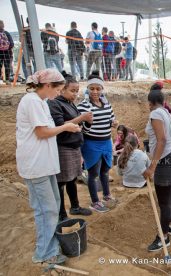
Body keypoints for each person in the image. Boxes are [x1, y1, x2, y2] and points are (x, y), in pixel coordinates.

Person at [16, 69, 81, 264]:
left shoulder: (42, 102)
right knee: (46, 210)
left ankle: (50, 245)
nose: (58, 93)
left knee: (51, 207)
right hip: (36, 165)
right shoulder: (32, 101)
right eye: (58, 89)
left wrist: (67, 126)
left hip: (44, 165)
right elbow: (42, 132)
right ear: (47, 86)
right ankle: (44, 252)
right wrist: (66, 127)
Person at [48, 71, 93, 222]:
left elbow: (76, 123)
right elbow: (60, 125)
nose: (75, 94)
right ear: (62, 89)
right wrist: (82, 117)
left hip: (74, 147)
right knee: (61, 181)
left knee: (72, 178)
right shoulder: (55, 103)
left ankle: (75, 206)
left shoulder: (69, 103)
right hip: (63, 147)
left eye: (77, 91)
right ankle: (61, 213)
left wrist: (86, 122)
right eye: (72, 91)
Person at [143, 89, 171, 252]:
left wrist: (152, 166)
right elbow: (170, 139)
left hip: (165, 162)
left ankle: (163, 237)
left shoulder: (156, 115)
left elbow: (162, 140)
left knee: (164, 203)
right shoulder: (168, 114)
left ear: (150, 104)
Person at [77, 71, 118, 212]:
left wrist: (114, 123)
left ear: (102, 89)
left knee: (105, 171)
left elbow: (111, 119)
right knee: (93, 173)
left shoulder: (106, 104)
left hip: (106, 142)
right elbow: (81, 130)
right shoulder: (83, 106)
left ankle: (106, 196)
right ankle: (95, 202)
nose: (95, 91)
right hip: (91, 144)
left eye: (98, 88)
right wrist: (87, 122)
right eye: (92, 88)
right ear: (87, 89)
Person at [0, 20, 14, 85]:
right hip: (7, 52)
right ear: (3, 25)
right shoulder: (6, 33)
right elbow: (12, 44)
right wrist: (8, 48)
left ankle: (0, 79)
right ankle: (8, 80)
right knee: (7, 66)